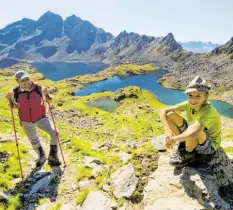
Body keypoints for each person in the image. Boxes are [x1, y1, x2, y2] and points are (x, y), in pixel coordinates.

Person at [160, 75, 221, 167]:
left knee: (194, 129)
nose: (193, 100)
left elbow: (194, 133)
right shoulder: (189, 104)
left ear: (206, 96)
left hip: (207, 145)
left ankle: (188, 154)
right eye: (190, 96)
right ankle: (182, 144)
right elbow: (163, 111)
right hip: (193, 135)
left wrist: (173, 139)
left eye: (198, 96)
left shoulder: (208, 111)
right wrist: (168, 130)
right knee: (170, 115)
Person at [6, 70, 61, 167]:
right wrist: (10, 99)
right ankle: (41, 156)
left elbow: (48, 99)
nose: (26, 82)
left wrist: (48, 96)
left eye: (28, 79)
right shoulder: (15, 92)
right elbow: (13, 107)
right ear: (18, 81)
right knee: (34, 141)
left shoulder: (39, 88)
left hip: (41, 118)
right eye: (23, 81)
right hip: (26, 121)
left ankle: (53, 156)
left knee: (55, 132)